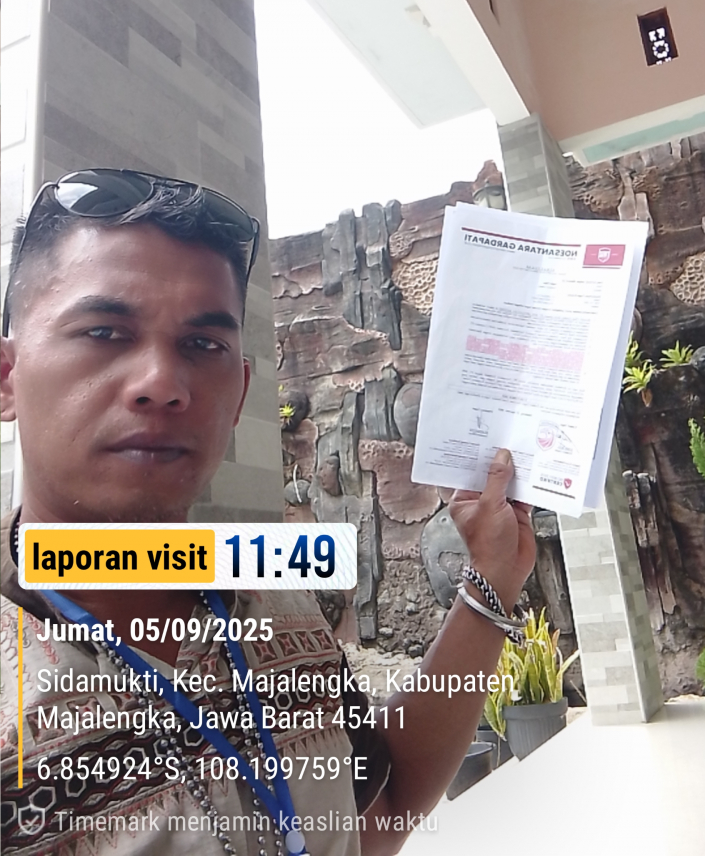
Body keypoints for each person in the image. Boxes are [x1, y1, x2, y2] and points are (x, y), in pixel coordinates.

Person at [0, 169, 537, 856]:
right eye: (104, 331)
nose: (162, 383)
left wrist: (491, 580)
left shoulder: (274, 596)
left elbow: (378, 811)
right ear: (7, 377)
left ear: (240, 392)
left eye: (203, 345)